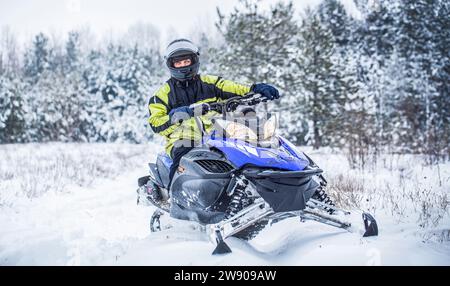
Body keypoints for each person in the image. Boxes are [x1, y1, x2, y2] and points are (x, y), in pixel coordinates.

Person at [146, 38, 280, 203]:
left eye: (186, 61)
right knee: (182, 154)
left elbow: (234, 88)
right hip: (183, 138)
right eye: (178, 63)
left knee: (246, 147)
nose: (183, 65)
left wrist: (254, 89)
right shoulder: (162, 94)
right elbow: (156, 123)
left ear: (194, 60)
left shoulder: (210, 82)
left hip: (216, 132)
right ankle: (176, 199)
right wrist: (177, 115)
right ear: (171, 65)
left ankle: (256, 190)